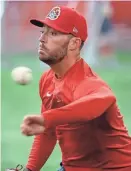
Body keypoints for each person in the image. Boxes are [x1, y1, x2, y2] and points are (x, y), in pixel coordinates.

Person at [21, 6, 131, 171]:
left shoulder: (89, 83)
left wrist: (48, 119)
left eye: (53, 34)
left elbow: (103, 99)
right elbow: (47, 132)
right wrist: (29, 169)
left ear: (74, 43)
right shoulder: (48, 79)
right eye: (42, 32)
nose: (42, 39)